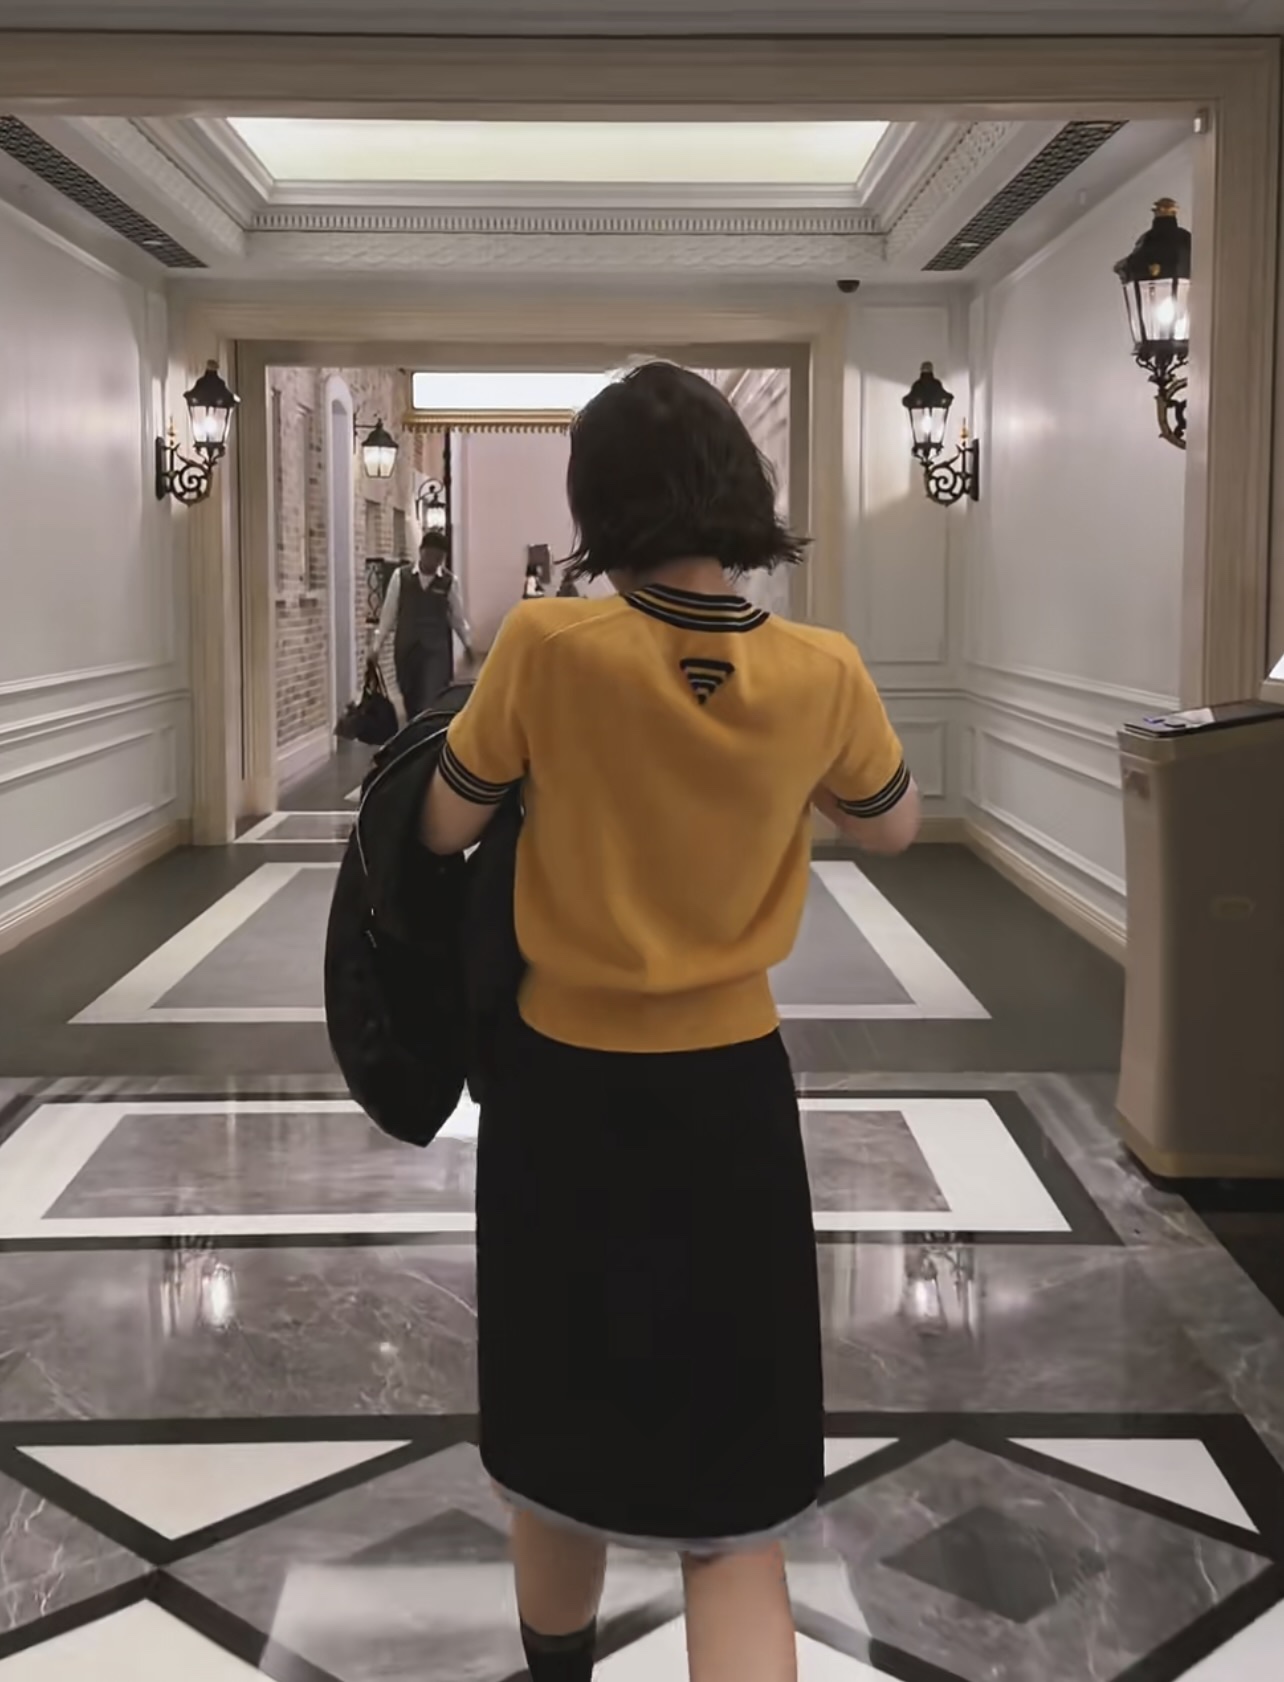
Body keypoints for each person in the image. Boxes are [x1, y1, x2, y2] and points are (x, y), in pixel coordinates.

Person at [420, 362, 921, 1682]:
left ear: (599, 502)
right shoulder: (821, 669)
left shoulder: (547, 645)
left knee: (558, 1432)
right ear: (737, 490)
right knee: (731, 1490)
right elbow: (894, 825)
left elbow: (445, 820)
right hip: (730, 1095)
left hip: (560, 1092)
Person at [370, 531, 474, 720]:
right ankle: (415, 728)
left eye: (439, 558)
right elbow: (388, 614)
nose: (434, 562)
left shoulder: (449, 582)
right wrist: (377, 645)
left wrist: (467, 643)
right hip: (407, 649)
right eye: (430, 555)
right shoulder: (401, 577)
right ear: (421, 552)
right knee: (410, 696)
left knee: (430, 697)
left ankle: (427, 732)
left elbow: (457, 617)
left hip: (436, 651)